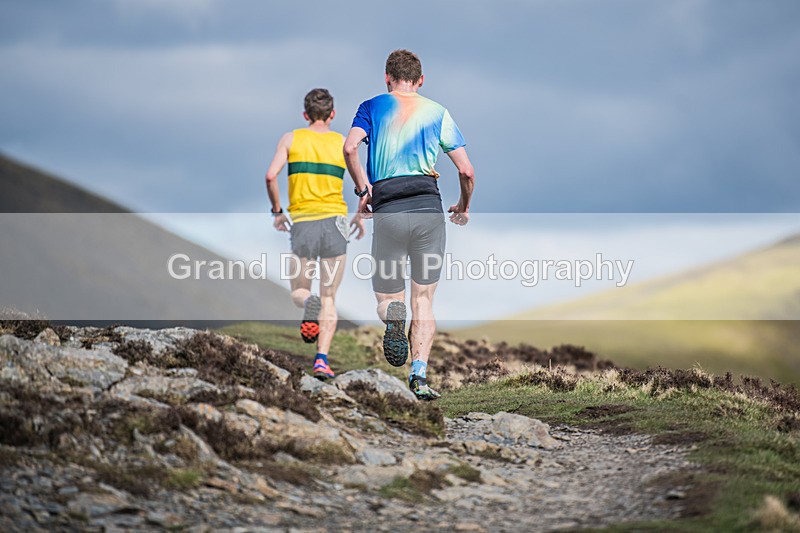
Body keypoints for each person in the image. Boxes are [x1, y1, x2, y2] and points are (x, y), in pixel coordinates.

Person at [343, 50, 475, 400]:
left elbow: (351, 146)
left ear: (387, 78)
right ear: (421, 80)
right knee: (425, 300)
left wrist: (363, 188)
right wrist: (463, 205)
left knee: (388, 297)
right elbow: (466, 170)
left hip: (388, 209)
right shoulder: (438, 112)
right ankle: (419, 375)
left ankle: (393, 315)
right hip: (428, 208)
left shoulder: (372, 106)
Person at [265, 88, 365, 380]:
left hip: (304, 223)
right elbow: (364, 186)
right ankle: (321, 360)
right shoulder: (343, 143)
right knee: (330, 296)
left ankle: (310, 303)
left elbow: (271, 176)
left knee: (300, 292)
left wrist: (277, 211)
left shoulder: (291, 139)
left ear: (305, 114)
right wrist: (359, 216)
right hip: (335, 222)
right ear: (332, 114)